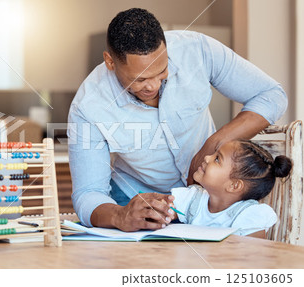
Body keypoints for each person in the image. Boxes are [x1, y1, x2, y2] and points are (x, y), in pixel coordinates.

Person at [67, 8, 288, 231]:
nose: (153, 86)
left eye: (161, 72)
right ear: (110, 62)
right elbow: (88, 193)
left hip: (209, 200)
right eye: (140, 79)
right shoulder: (87, 106)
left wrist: (214, 143)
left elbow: (271, 95)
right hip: (135, 199)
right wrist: (119, 215)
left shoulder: (198, 50)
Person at [169, 140, 292, 238]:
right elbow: (161, 211)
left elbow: (255, 258)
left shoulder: (248, 216)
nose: (207, 157)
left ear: (234, 186)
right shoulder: (193, 198)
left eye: (217, 159)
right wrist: (163, 212)